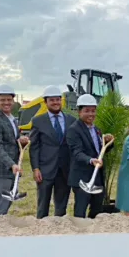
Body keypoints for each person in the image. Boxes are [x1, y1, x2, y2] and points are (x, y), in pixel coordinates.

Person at [29, 85, 76, 218]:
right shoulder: (38, 121)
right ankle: (41, 230)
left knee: (62, 205)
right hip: (45, 170)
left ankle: (58, 230)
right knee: (43, 204)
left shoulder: (71, 120)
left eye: (58, 99)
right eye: (52, 100)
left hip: (65, 169)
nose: (55, 103)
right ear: (46, 102)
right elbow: (34, 147)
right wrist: (36, 168)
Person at [66, 94, 114, 218]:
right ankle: (80, 233)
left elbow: (99, 152)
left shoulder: (96, 129)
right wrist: (90, 160)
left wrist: (108, 143)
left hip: (97, 177)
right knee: (80, 210)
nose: (91, 114)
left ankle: (93, 233)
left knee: (97, 209)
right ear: (79, 111)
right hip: (82, 177)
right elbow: (77, 152)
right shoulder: (74, 130)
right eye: (87, 111)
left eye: (93, 111)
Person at [0, 84, 29, 216]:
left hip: (12, 170)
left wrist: (21, 141)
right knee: (0, 207)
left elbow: (12, 141)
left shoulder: (12, 119)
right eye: (2, 100)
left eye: (9, 99)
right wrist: (11, 164)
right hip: (0, 170)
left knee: (6, 204)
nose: (6, 102)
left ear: (13, 101)